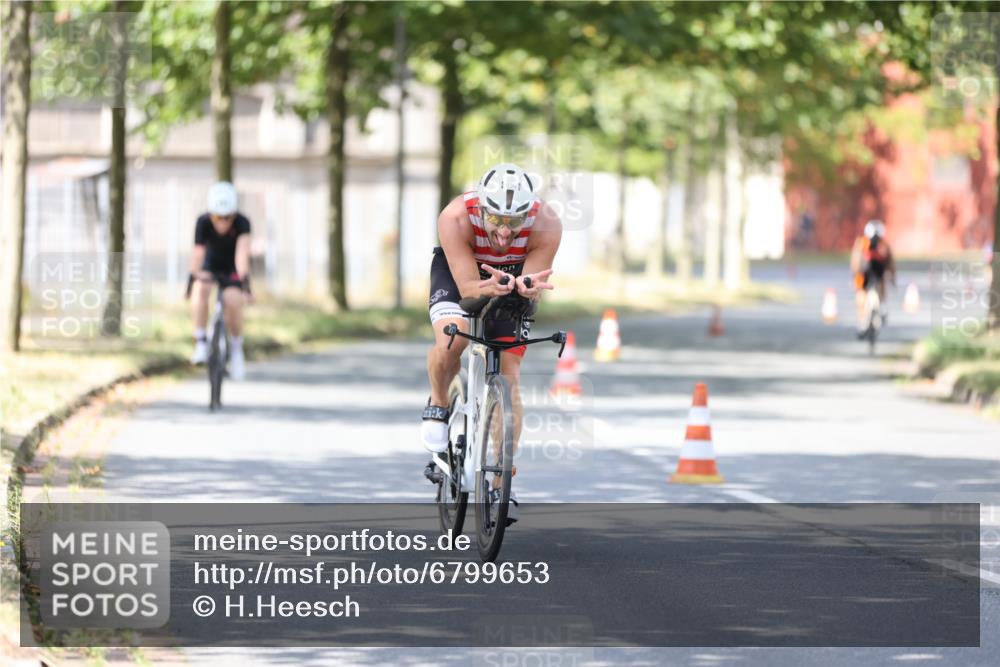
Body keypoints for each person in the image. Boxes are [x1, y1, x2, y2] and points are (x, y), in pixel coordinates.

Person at [422, 163, 563, 522]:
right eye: (496, 220)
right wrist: (490, 284)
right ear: (481, 209)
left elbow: (533, 282)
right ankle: (439, 403)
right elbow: (469, 289)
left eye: (513, 223)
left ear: (528, 215)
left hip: (512, 276)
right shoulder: (455, 217)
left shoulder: (547, 223)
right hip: (461, 274)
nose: (503, 231)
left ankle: (501, 481)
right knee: (452, 341)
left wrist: (525, 288)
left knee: (510, 373)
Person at [186, 181, 252, 380]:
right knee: (201, 290)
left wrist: (245, 286)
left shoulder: (242, 223)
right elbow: (198, 254)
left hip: (232, 267)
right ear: (210, 214)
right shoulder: (203, 222)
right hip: (210, 264)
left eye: (227, 217)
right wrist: (191, 281)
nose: (222, 222)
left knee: (233, 300)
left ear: (234, 214)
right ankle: (200, 342)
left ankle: (237, 349)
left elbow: (242, 256)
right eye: (217, 217)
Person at [850, 219, 896, 333]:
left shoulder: (869, 244)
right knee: (863, 294)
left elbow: (855, 262)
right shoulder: (864, 244)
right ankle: (868, 317)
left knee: (866, 291)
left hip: (873, 273)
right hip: (868, 273)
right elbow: (891, 264)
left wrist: (855, 275)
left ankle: (872, 314)